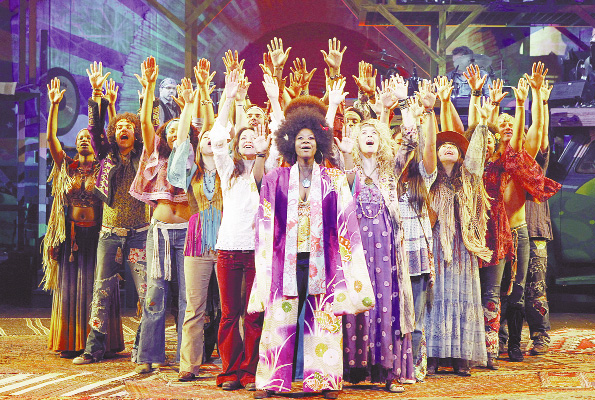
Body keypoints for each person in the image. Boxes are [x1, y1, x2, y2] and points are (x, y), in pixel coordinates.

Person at [248, 104, 375, 399]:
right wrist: (260, 155)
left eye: (311, 138)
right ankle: (270, 382)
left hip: (323, 262)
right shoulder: (277, 177)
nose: (305, 142)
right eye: (300, 138)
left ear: (319, 144)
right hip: (284, 260)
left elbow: (350, 189)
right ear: (290, 143)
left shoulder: (331, 177)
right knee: (278, 319)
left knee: (324, 318)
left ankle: (326, 381)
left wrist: (347, 156)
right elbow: (258, 184)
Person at [73, 62, 150, 365]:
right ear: (114, 134)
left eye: (128, 127)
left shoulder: (145, 156)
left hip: (140, 237)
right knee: (101, 293)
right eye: (118, 127)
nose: (123, 130)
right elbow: (94, 130)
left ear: (135, 133)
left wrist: (147, 92)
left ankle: (143, 350)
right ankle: (93, 349)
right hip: (109, 236)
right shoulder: (106, 155)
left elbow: (149, 126)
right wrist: (96, 94)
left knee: (146, 294)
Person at [339, 114, 420, 392]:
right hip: (356, 248)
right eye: (364, 133)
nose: (369, 136)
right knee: (356, 301)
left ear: (382, 140)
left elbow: (409, 145)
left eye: (374, 132)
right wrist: (346, 154)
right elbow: (345, 181)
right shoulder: (348, 167)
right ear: (356, 141)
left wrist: (407, 115)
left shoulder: (389, 171)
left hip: (386, 248)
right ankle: (354, 368)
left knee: (387, 303)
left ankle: (388, 371)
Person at [130, 56, 197, 373]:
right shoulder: (155, 157)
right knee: (154, 296)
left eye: (177, 130)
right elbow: (145, 124)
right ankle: (149, 357)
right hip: (158, 235)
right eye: (168, 129)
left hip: (187, 235)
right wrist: (149, 88)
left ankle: (186, 359)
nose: (173, 133)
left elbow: (184, 137)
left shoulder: (189, 159)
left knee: (187, 299)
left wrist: (187, 108)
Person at [425, 102, 494, 376]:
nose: (448, 148)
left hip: (462, 247)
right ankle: (432, 355)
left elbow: (477, 154)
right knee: (435, 296)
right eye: (442, 146)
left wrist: (483, 124)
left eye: (454, 146)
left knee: (463, 297)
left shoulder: (469, 178)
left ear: (462, 154)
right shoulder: (429, 179)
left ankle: (461, 356)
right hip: (436, 245)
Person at [210, 70, 267, 391]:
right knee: (230, 314)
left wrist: (264, 148)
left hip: (258, 251)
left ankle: (250, 372)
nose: (247, 138)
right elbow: (217, 137)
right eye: (242, 136)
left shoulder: (267, 169)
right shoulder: (228, 170)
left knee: (254, 315)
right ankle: (230, 372)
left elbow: (273, 139)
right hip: (229, 249)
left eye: (252, 136)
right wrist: (228, 98)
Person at [166, 58, 221, 382]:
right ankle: (189, 364)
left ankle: (236, 364)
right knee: (194, 307)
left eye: (215, 138)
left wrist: (207, 96)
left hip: (228, 239)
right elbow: (181, 144)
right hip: (198, 241)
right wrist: (188, 107)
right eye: (205, 139)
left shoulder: (230, 170)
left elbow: (218, 131)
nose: (209, 140)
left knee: (232, 309)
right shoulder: (192, 174)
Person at [42, 77, 101, 359]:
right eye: (79, 138)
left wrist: (98, 97)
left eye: (88, 137)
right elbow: (51, 139)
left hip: (98, 234)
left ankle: (97, 342)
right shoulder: (67, 165)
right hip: (72, 235)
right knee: (70, 287)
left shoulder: (103, 167)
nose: (84, 139)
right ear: (74, 145)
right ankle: (70, 341)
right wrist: (54, 106)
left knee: (95, 286)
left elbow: (103, 134)